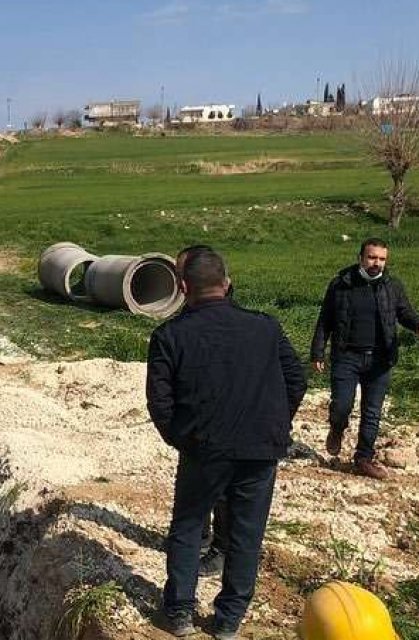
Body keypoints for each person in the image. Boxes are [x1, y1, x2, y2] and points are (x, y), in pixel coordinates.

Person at [147, 249, 307, 639]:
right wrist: (272, 425)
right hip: (259, 451)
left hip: (204, 450)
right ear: (228, 283)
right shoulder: (266, 328)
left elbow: (160, 402)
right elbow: (296, 380)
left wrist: (181, 440)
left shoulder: (170, 336)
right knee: (245, 534)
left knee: (187, 527)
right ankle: (228, 620)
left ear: (183, 288)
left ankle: (181, 613)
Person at [311, 238, 419, 480]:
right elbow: (325, 320)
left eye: (382, 259)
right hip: (346, 356)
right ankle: (337, 427)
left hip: (380, 359)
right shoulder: (341, 284)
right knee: (342, 404)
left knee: (372, 411)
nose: (377, 263)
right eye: (372, 258)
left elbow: (403, 311)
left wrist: (418, 324)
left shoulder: (391, 286)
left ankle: (363, 459)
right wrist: (317, 352)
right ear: (361, 258)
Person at [174, 245, 231, 578]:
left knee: (223, 492)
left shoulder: (236, 319)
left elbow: (292, 379)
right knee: (197, 493)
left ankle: (220, 549)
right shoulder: (185, 319)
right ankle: (200, 537)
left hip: (226, 426)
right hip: (196, 428)